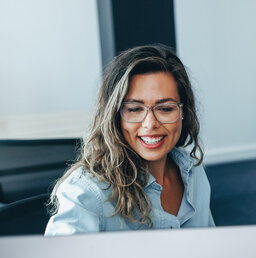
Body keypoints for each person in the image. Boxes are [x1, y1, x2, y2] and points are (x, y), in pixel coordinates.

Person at [46, 45, 214, 235]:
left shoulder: (193, 171)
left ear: (183, 113)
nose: (150, 124)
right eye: (134, 109)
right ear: (116, 116)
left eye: (165, 109)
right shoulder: (87, 192)